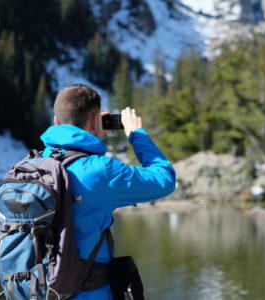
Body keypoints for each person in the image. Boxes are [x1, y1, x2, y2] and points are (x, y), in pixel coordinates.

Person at [40, 84, 176, 299]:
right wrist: (136, 134)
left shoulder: (33, 164)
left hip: (35, 290)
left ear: (56, 122)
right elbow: (164, 179)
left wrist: (92, 129)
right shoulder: (101, 170)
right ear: (95, 120)